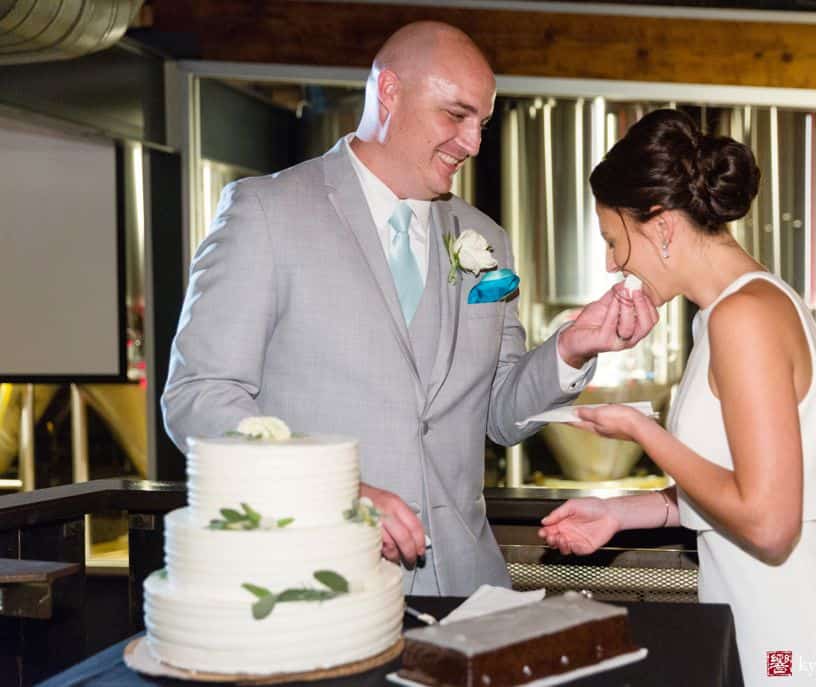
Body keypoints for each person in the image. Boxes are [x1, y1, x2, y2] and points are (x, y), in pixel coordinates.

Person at [161, 21, 658, 596]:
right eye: (456, 115)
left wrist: (572, 347)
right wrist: (331, 487)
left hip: (467, 587)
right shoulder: (265, 212)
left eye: (483, 124)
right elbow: (198, 397)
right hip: (317, 583)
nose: (472, 143)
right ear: (390, 92)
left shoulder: (485, 237)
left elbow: (502, 416)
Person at [538, 109, 816, 684]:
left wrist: (643, 432)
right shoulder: (731, 311)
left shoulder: (743, 317)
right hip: (765, 623)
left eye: (612, 238)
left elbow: (770, 523)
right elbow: (733, 485)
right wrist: (620, 514)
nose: (610, 262)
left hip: (794, 641)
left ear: (662, 226)